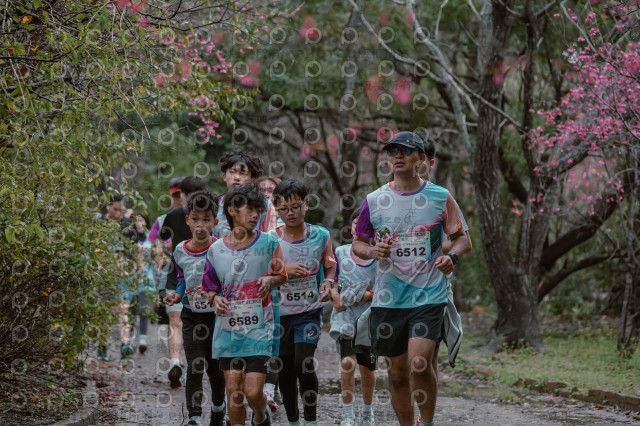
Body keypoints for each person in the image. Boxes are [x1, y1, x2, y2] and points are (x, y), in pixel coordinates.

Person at [352, 131, 469, 426]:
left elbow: (462, 239)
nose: (398, 155)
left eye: (405, 150)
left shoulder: (440, 197)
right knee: (397, 374)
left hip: (428, 294)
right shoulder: (374, 200)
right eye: (393, 151)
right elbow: (358, 244)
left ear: (421, 158)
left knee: (419, 363)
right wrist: (372, 251)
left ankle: (426, 422)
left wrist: (452, 257)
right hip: (389, 298)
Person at [201, 184, 288, 426]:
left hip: (259, 329)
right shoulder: (216, 250)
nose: (254, 215)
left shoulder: (269, 243)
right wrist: (214, 299)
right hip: (228, 331)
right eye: (249, 209)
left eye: (258, 210)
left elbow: (282, 275)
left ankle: (260, 415)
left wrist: (270, 280)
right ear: (231, 210)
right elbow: (208, 287)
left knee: (252, 392)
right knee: (234, 393)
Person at [271, 179, 336, 426]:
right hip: (279, 314)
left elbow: (330, 265)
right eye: (284, 209)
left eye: (296, 207)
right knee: (285, 369)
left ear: (306, 205)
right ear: (276, 209)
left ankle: (311, 420)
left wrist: (327, 282)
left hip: (309, 311)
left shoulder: (321, 235)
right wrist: (284, 270)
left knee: (304, 363)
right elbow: (260, 273)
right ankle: (293, 420)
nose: (291, 213)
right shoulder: (270, 239)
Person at [163, 190, 228, 426]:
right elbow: (182, 278)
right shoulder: (180, 249)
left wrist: (214, 292)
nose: (200, 225)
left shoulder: (220, 248)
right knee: (195, 365)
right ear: (187, 220)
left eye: (206, 220)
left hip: (216, 318)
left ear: (215, 222)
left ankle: (219, 407)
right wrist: (177, 295)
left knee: (215, 369)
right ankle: (194, 417)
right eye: (195, 219)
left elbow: (227, 281)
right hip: (191, 316)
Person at [329, 207, 377, 426]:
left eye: (366, 223)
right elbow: (332, 280)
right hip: (346, 317)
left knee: (367, 368)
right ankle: (347, 414)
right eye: (357, 222)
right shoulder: (340, 252)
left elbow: (386, 287)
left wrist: (367, 295)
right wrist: (336, 299)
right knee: (348, 363)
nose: (361, 226)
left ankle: (367, 412)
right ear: (351, 227)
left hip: (369, 319)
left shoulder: (379, 256)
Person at [159, 176, 206, 387]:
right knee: (185, 322)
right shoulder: (204, 216)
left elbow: (162, 241)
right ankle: (181, 364)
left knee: (177, 322)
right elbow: (161, 240)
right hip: (189, 276)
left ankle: (178, 362)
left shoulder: (175, 215)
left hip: (188, 277)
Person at [95, 195, 135, 360]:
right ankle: (102, 346)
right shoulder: (99, 223)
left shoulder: (127, 225)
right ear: (108, 207)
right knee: (103, 311)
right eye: (116, 209)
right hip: (104, 274)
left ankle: (125, 345)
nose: (119, 213)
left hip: (123, 274)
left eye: (122, 210)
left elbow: (134, 248)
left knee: (123, 308)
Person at [212, 152, 278, 238]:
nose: (237, 177)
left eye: (243, 173)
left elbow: (272, 237)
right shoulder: (215, 204)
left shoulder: (265, 204)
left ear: (252, 179)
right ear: (224, 176)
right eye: (232, 172)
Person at [131, 211, 157, 355]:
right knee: (130, 310)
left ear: (146, 222)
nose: (138, 223)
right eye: (136, 220)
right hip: (130, 281)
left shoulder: (151, 238)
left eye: (141, 220)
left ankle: (142, 340)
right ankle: (129, 340)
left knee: (143, 310)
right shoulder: (129, 237)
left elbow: (158, 256)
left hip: (147, 280)